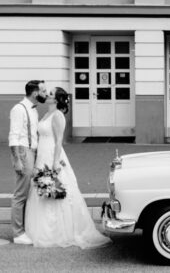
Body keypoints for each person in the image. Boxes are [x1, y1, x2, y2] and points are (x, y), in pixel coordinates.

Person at [24, 87, 111, 249]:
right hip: (42, 155)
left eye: (50, 94)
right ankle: (43, 230)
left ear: (56, 100)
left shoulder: (57, 116)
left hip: (51, 155)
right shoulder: (46, 114)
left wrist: (55, 162)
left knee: (56, 189)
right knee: (42, 190)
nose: (46, 95)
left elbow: (58, 141)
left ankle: (60, 232)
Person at [9, 80, 47, 245]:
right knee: (20, 194)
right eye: (43, 91)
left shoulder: (34, 110)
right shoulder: (19, 109)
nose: (45, 94)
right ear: (34, 93)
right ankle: (18, 233)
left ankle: (24, 228)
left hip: (32, 152)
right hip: (24, 152)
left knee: (29, 192)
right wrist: (17, 160)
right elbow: (13, 136)